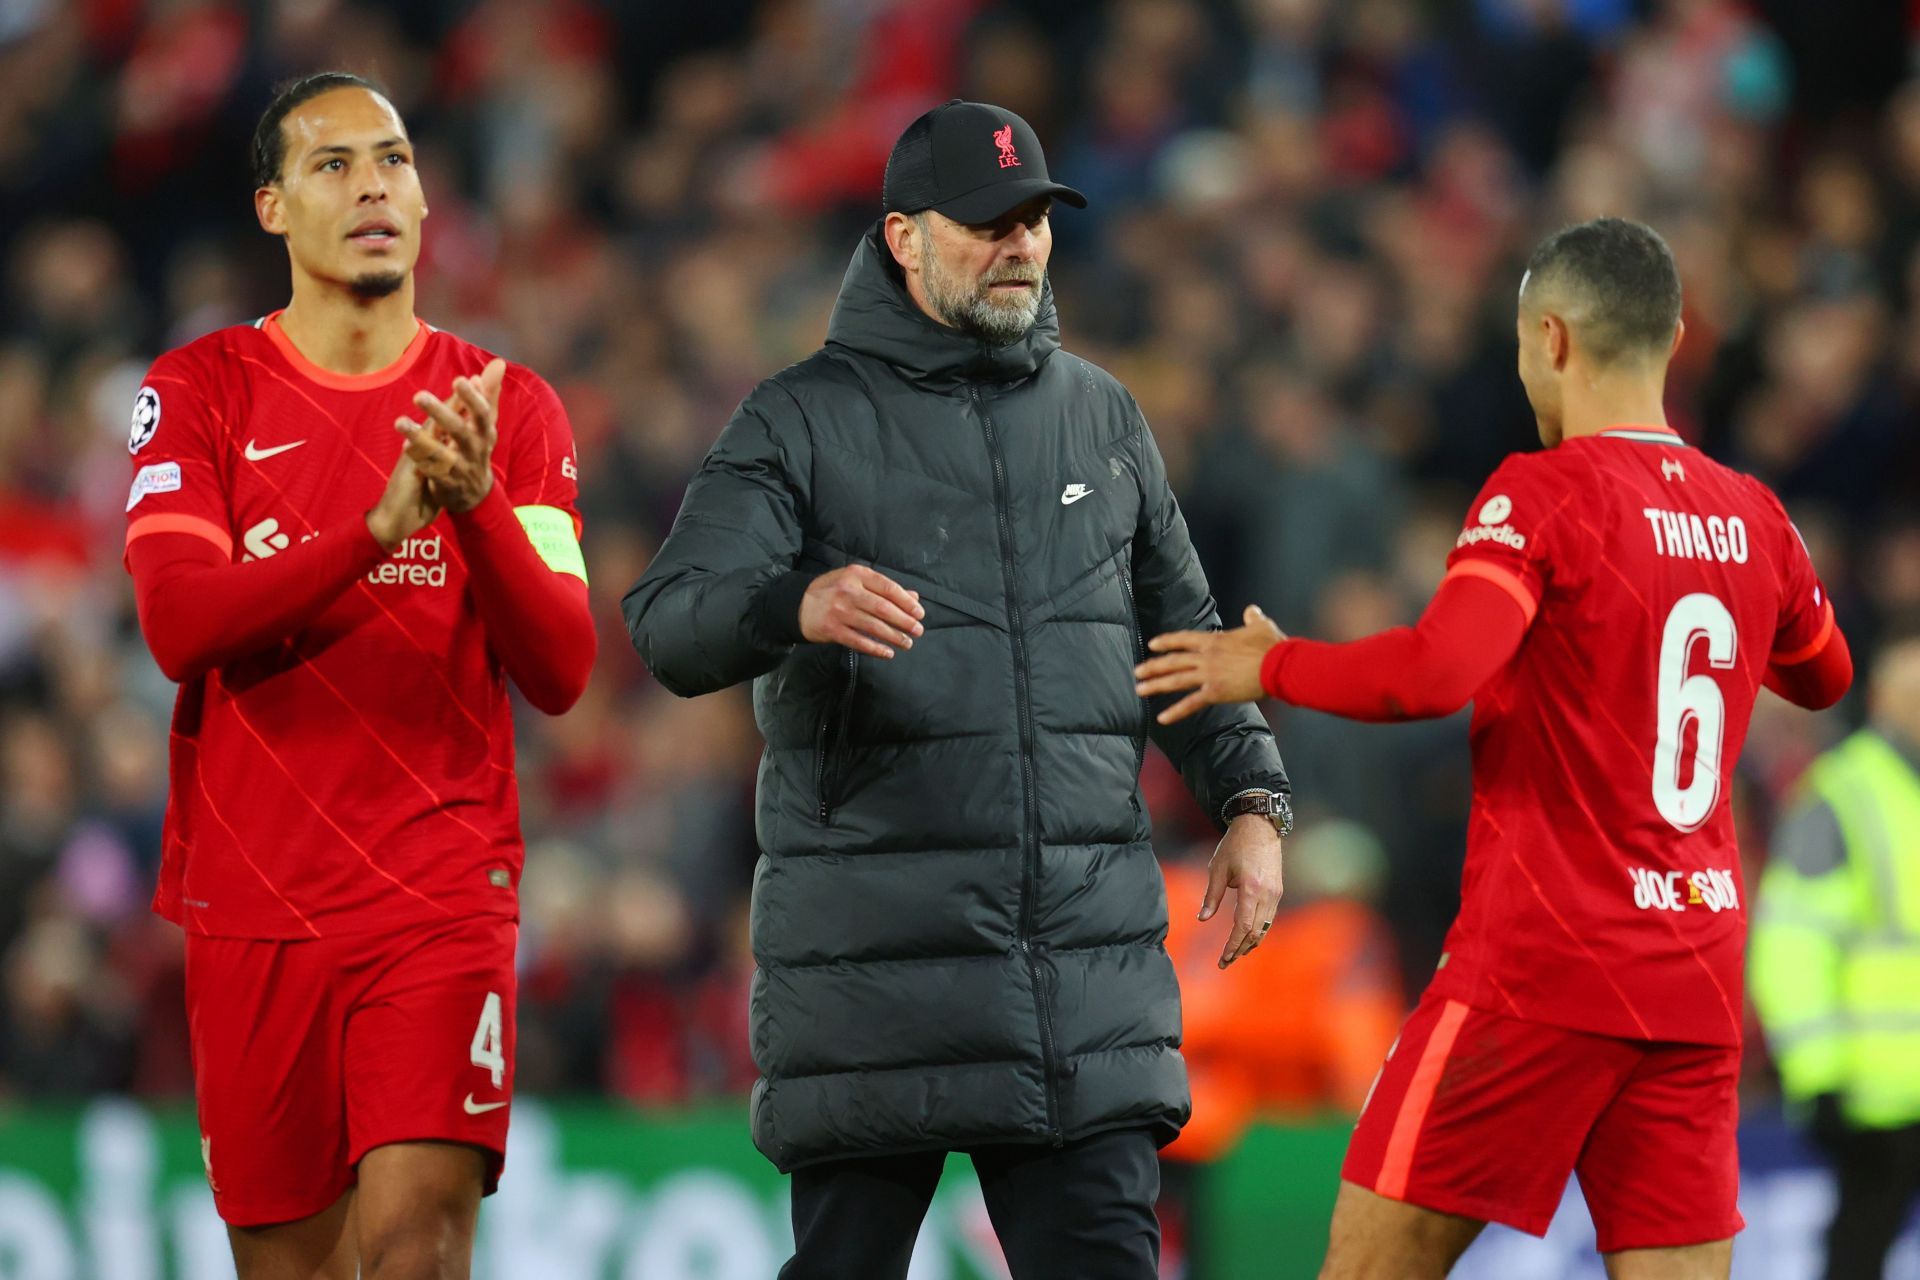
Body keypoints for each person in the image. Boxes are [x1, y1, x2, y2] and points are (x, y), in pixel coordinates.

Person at [622, 99, 1291, 1280]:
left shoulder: (1102, 417)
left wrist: (1253, 801)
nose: (1019, 242)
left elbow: (1184, 632)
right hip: (881, 983)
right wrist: (794, 601)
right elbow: (667, 622)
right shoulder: (799, 420)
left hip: (1079, 983)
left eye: (1033, 217)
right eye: (986, 221)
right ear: (900, 237)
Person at [1134, 217, 1855, 1279]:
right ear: (1671, 337)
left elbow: (1431, 672)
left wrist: (1273, 666)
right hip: (1693, 976)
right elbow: (1824, 673)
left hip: (1540, 970)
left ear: (1552, 339)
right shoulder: (1757, 517)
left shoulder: (1543, 493)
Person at [123, 72, 595, 1280]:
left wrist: (473, 499)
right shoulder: (197, 393)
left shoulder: (510, 410)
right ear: (274, 208)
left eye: (393, 158)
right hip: (255, 900)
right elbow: (179, 622)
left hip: (439, 891)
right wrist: (377, 531)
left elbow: (561, 666)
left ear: (430, 201)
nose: (373, 182)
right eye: (333, 164)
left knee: (420, 1244)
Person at [1751, 631, 1920, 1280]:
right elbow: (1793, 942)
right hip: (1871, 1092)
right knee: (1858, 1251)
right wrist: (1817, 1074)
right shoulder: (1843, 794)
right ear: (1881, 700)